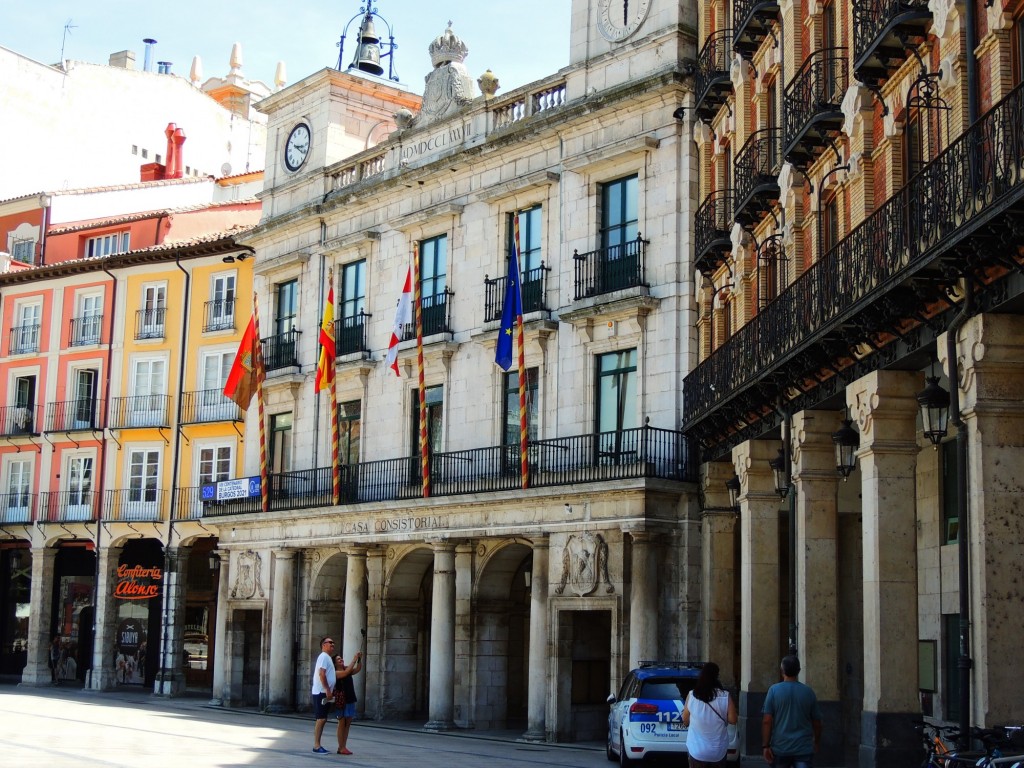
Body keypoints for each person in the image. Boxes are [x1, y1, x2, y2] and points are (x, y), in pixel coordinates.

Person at [762, 655, 822, 768]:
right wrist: (816, 742)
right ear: (798, 671)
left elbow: (767, 721)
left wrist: (766, 746)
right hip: (803, 748)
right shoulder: (808, 692)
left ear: (781, 671)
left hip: (780, 747)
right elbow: (817, 723)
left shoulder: (773, 691)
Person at [682, 662, 738, 767]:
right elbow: (733, 720)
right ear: (717, 676)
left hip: (696, 750)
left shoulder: (692, 695)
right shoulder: (725, 696)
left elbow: (685, 720)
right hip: (718, 751)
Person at [310, 636, 337, 754]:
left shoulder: (327, 658)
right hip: (321, 692)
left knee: (322, 718)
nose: (332, 644)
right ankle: (316, 745)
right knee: (321, 719)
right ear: (323, 645)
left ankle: (317, 744)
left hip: (323, 692)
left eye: (333, 642)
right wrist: (327, 689)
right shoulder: (323, 656)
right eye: (329, 642)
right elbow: (322, 674)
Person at [333, 651, 363, 755]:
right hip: (342, 700)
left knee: (348, 723)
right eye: (338, 659)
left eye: (341, 658)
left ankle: (343, 746)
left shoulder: (347, 669)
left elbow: (357, 669)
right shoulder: (336, 672)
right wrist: (354, 659)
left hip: (350, 698)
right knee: (342, 723)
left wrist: (359, 659)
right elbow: (346, 673)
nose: (341, 660)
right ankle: (341, 747)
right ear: (335, 663)